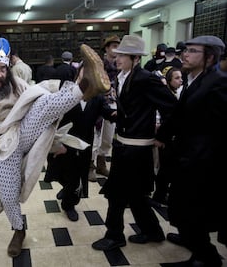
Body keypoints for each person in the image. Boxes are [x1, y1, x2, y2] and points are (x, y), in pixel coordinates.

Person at [0, 42, 111, 257]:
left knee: (42, 106)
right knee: (8, 196)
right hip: (2, 150)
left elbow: (39, 104)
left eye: (2, 69)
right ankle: (19, 231)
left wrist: (53, 144)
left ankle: (85, 85)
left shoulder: (19, 85)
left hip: (23, 133)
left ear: (8, 69)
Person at [91, 35, 177, 251]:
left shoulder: (145, 78)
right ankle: (152, 231)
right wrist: (115, 114)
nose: (117, 58)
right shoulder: (123, 77)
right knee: (136, 194)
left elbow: (173, 108)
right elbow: (132, 110)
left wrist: (162, 136)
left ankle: (114, 235)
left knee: (116, 194)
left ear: (135, 58)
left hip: (136, 148)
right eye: (117, 54)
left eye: (122, 55)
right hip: (124, 145)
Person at [155, 35, 227, 266]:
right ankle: (191, 239)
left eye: (193, 51)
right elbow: (181, 115)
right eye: (186, 50)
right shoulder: (196, 78)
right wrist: (163, 135)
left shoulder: (219, 82)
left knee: (191, 210)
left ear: (210, 57)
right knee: (182, 209)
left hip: (201, 161)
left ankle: (206, 258)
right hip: (187, 156)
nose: (185, 54)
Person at [44, 93, 116, 221]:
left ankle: (68, 204)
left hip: (84, 144)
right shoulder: (68, 93)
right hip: (64, 142)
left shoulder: (97, 98)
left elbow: (107, 112)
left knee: (77, 176)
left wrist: (117, 113)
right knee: (59, 171)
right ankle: (67, 188)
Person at [151, 66, 183, 206]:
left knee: (169, 167)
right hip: (163, 137)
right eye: (176, 78)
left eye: (181, 77)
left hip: (173, 137)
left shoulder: (178, 93)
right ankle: (159, 195)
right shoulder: (165, 96)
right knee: (162, 168)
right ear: (169, 80)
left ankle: (163, 193)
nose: (180, 81)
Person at [91, 35, 120, 180]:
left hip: (113, 103)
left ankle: (101, 163)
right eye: (113, 46)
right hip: (98, 103)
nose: (116, 49)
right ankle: (91, 165)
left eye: (118, 46)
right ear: (107, 48)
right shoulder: (99, 64)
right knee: (95, 135)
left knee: (108, 137)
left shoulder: (120, 65)